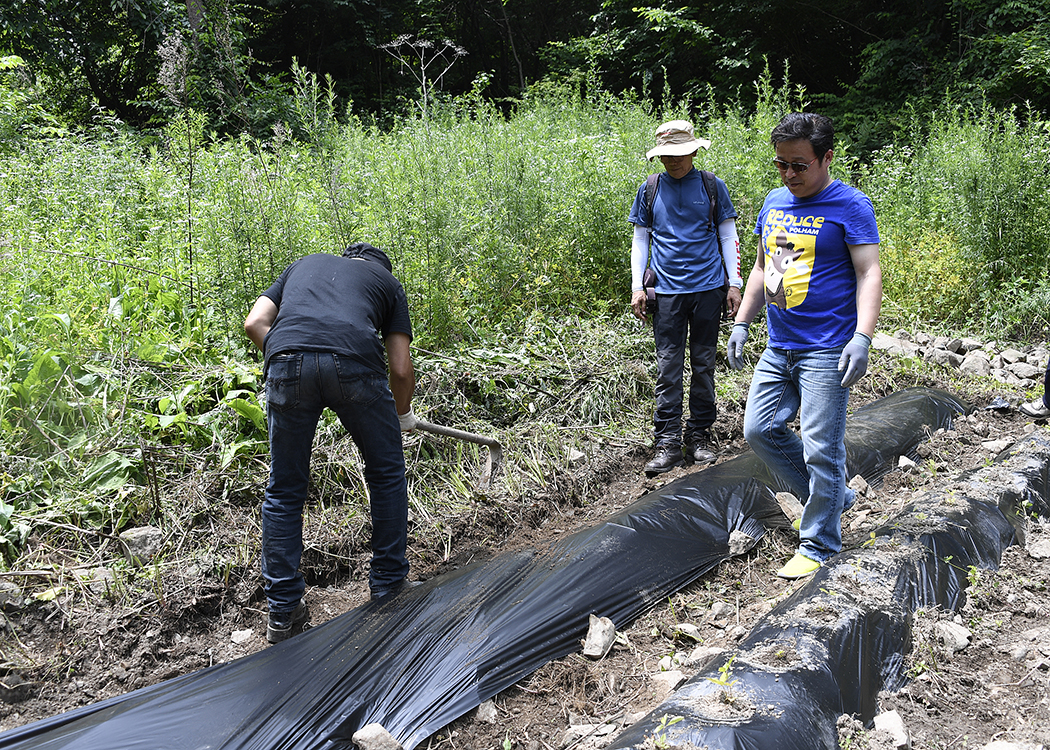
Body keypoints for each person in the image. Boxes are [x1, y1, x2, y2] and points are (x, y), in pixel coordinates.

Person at [727, 112, 882, 579]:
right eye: (782, 165)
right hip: (781, 344)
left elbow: (868, 272)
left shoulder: (850, 205)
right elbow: (763, 268)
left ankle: (819, 543)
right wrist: (742, 322)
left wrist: (863, 336)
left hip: (827, 347)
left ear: (826, 158)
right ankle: (836, 498)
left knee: (821, 449)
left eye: (800, 165)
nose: (790, 175)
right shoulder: (776, 202)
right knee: (760, 430)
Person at [244, 242, 418, 643]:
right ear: (379, 268)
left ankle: (284, 611)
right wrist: (402, 412)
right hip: (354, 361)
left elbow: (255, 323)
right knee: (386, 473)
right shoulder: (387, 284)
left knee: (285, 489)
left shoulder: (302, 264)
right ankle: (389, 586)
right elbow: (400, 367)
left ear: (345, 258)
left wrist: (290, 356)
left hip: (286, 357)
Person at [629, 120, 743, 477]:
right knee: (668, 368)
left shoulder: (712, 186)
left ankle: (700, 435)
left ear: (694, 151)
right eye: (666, 155)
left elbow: (728, 235)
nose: (673, 161)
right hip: (665, 293)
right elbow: (641, 240)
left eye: (679, 154)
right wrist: (636, 286)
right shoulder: (650, 189)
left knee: (704, 365)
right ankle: (667, 443)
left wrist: (734, 283)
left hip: (708, 289)